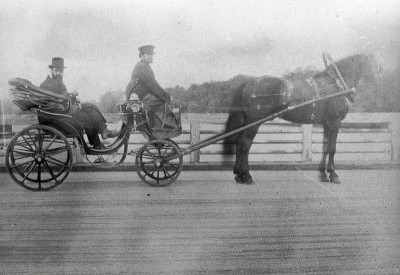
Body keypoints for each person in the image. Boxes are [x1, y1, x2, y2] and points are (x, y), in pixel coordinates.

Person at [39, 57, 119, 149]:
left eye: (60, 71)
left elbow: (63, 98)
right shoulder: (47, 84)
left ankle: (104, 131)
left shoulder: (59, 83)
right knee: (85, 117)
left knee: (90, 106)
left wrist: (73, 99)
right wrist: (71, 95)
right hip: (55, 118)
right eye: (56, 71)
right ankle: (97, 144)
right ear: (51, 70)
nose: (58, 73)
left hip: (62, 112)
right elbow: (58, 100)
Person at [125, 45, 181, 138]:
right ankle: (163, 130)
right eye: (148, 54)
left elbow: (152, 84)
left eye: (151, 54)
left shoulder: (144, 65)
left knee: (160, 100)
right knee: (162, 102)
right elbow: (152, 85)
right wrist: (166, 97)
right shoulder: (142, 66)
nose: (151, 56)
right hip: (138, 96)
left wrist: (164, 95)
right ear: (142, 56)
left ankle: (159, 130)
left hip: (139, 94)